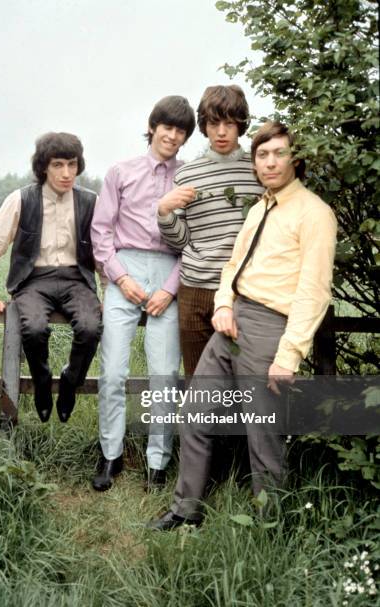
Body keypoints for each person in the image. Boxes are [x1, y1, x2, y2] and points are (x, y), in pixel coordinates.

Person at [148, 121, 337, 529]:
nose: (269, 163)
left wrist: (288, 356)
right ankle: (186, 511)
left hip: (273, 327)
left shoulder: (315, 213)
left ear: (295, 158)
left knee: (262, 433)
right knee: (195, 414)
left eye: (278, 153)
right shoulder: (259, 208)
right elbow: (234, 266)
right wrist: (223, 306)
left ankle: (270, 528)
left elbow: (314, 292)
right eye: (262, 155)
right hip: (232, 323)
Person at [90, 96, 196, 492]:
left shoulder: (189, 178)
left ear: (186, 137)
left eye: (181, 130)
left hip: (170, 270)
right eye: (166, 126)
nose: (172, 135)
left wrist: (170, 289)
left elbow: (195, 243)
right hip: (126, 270)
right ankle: (110, 454)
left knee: (165, 373)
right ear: (152, 127)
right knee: (113, 370)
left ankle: (158, 461)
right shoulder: (121, 172)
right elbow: (101, 232)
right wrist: (120, 278)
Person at [0, 132, 102, 423]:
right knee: (33, 329)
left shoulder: (91, 201)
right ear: (44, 166)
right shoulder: (21, 199)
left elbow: (104, 252)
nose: (66, 173)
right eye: (58, 165)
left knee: (91, 328)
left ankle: (70, 382)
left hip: (76, 279)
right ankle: (42, 382)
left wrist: (106, 291)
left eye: (72, 164)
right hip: (33, 280)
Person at [157, 85, 265, 376]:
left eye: (229, 123)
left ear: (241, 125)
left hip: (243, 292)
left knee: (246, 381)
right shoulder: (187, 174)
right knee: (199, 383)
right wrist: (164, 212)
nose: (221, 131)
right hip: (194, 290)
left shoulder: (258, 172)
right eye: (214, 123)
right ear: (203, 125)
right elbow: (182, 241)